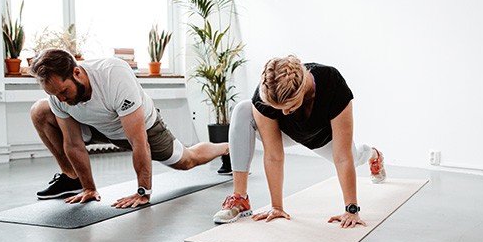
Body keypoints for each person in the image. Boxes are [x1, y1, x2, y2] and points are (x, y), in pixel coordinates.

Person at [29, 48, 229, 208]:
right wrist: (89, 188)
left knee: (187, 161)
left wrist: (143, 192)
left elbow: (139, 141)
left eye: (64, 91)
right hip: (98, 127)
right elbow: (73, 144)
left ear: (77, 72)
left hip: (144, 128)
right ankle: (72, 179)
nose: (61, 99)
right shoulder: (58, 98)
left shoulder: (113, 75)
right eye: (55, 94)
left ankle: (226, 148)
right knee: (40, 110)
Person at [213, 55, 386, 228]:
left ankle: (373, 154)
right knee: (243, 109)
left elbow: (343, 157)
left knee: (353, 158)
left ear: (302, 89)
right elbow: (274, 155)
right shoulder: (265, 93)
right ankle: (240, 198)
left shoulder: (332, 82)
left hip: (322, 137)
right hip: (286, 133)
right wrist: (276, 207)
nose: (285, 113)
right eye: (280, 109)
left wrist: (351, 209)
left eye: (290, 107)